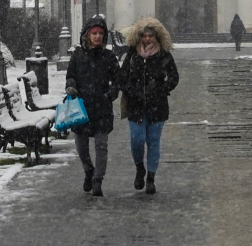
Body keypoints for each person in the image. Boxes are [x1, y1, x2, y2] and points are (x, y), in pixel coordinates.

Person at [117, 17, 179, 195]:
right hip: (135, 105)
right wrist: (132, 90)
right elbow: (122, 77)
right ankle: (139, 168)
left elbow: (174, 77)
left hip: (157, 105)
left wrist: (161, 89)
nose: (147, 39)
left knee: (153, 142)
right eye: (144, 35)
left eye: (151, 35)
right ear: (139, 36)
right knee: (137, 141)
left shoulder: (164, 55)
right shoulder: (132, 54)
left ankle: (151, 178)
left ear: (157, 36)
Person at [64, 14, 120, 196]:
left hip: (102, 107)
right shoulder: (78, 56)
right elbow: (70, 75)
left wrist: (111, 93)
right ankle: (88, 169)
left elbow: (117, 80)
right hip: (81, 106)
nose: (97, 36)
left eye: (100, 33)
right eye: (94, 33)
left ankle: (98, 179)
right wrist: (71, 86)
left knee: (101, 145)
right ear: (87, 35)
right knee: (81, 146)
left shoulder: (109, 57)